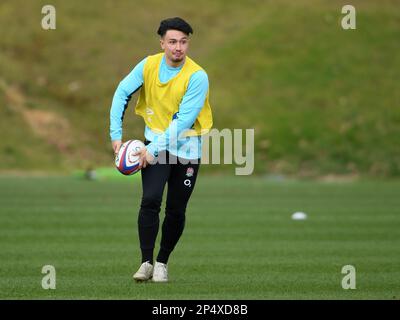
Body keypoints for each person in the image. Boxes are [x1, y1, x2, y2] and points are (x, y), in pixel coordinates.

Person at [109, 17, 213, 282]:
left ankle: (163, 262)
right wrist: (116, 136)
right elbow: (122, 92)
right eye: (173, 42)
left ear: (188, 43)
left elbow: (183, 122)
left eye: (183, 42)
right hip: (154, 146)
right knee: (151, 199)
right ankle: (146, 262)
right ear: (162, 43)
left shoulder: (197, 76)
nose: (178, 47)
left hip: (187, 150)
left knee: (176, 210)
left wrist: (152, 149)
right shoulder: (148, 65)